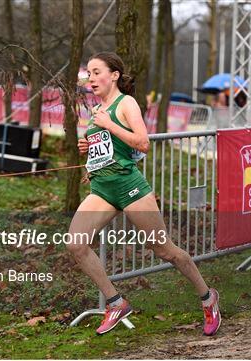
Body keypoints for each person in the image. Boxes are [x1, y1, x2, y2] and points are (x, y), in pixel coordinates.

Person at [69, 52, 221, 335]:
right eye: (88, 73)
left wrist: (109, 126)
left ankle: (207, 297)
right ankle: (115, 302)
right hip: (102, 189)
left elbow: (142, 143)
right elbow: (111, 147)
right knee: (76, 244)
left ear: (114, 75)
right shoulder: (97, 110)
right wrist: (90, 152)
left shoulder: (126, 104)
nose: (91, 78)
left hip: (130, 188)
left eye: (96, 72)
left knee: (165, 250)